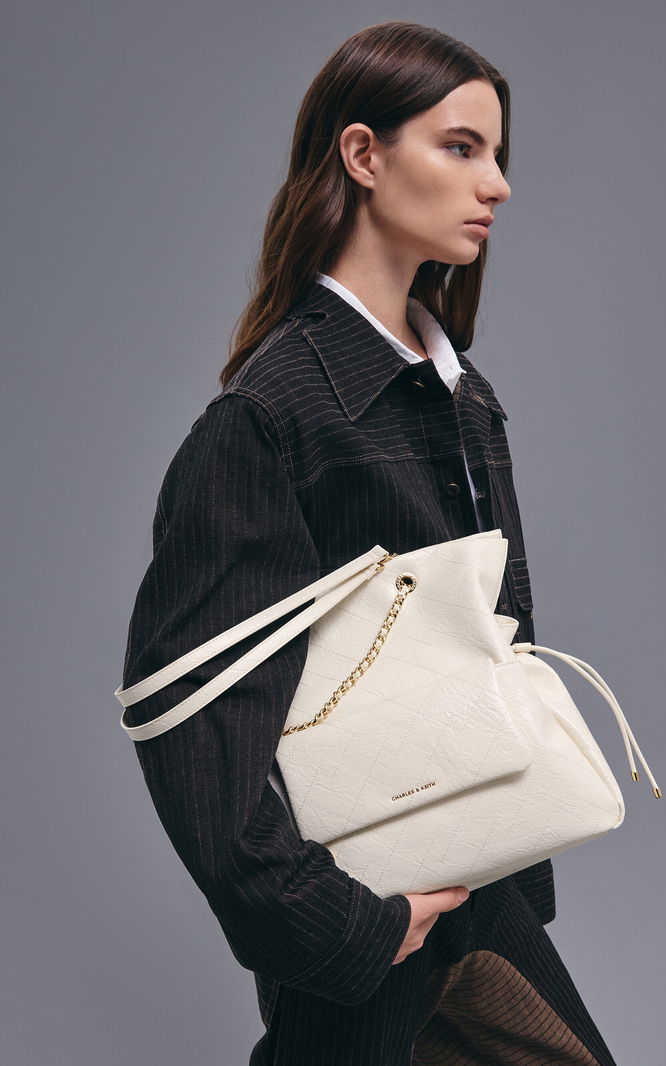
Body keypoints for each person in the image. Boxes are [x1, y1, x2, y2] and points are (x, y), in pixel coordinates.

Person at [118, 19, 620, 1066]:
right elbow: (189, 712)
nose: (497, 185)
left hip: (474, 881)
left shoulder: (459, 396)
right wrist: (338, 924)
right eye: (460, 147)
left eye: (496, 153)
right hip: (372, 914)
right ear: (362, 154)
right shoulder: (272, 419)